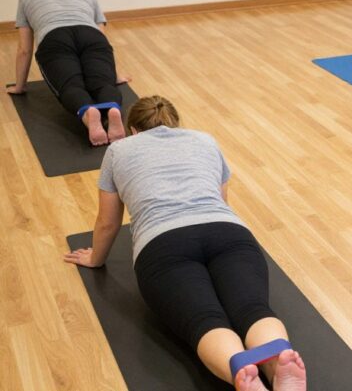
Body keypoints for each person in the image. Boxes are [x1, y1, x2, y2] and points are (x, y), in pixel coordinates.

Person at [62, 96, 306, 391]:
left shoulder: (118, 149)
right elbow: (221, 200)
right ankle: (278, 364)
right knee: (253, 309)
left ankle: (242, 374)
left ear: (133, 129)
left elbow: (108, 222)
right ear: (175, 123)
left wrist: (95, 259)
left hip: (164, 244)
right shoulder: (204, 140)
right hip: (228, 233)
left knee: (206, 320)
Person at [7, 0, 130, 145]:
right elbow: (103, 39)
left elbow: (24, 49)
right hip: (91, 36)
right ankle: (112, 109)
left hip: (55, 39)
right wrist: (114, 74)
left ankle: (88, 114)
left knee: (71, 85)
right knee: (102, 83)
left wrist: (20, 86)